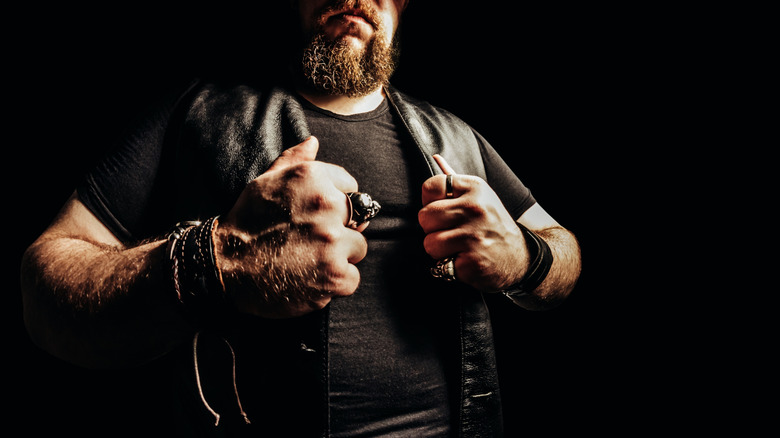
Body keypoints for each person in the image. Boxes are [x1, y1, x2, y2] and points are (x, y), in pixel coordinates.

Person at [21, 0, 582, 436]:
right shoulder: (195, 112)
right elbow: (43, 288)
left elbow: (565, 251)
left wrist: (526, 257)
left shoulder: (456, 135)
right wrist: (220, 260)